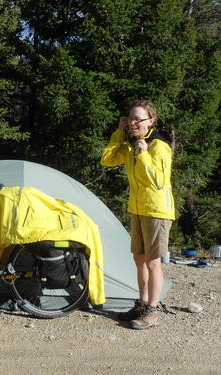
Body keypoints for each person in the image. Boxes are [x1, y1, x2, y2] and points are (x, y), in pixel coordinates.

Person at [101, 100, 175, 330]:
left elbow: (158, 182)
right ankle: (142, 304)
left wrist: (144, 155)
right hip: (138, 209)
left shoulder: (159, 147)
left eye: (138, 119)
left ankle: (152, 309)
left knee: (153, 262)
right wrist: (118, 133)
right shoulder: (131, 145)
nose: (133, 123)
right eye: (130, 119)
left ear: (151, 120)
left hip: (156, 211)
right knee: (139, 259)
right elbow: (108, 159)